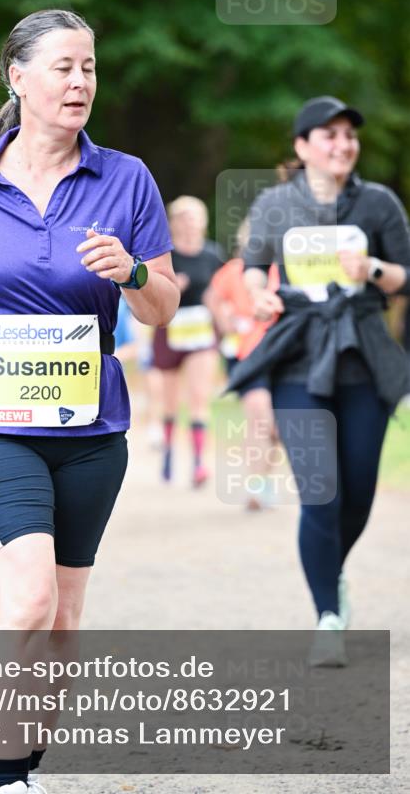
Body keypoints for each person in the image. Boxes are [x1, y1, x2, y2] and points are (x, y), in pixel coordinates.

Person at [0, 9, 178, 794]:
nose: (81, 81)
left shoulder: (126, 178)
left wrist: (130, 272)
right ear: (17, 77)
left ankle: (25, 764)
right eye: (64, 67)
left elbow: (161, 305)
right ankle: (3, 778)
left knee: (62, 618)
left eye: (89, 67)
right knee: (27, 598)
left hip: (91, 425)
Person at [229, 95, 410, 665]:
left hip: (364, 359)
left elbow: (405, 276)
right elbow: (253, 267)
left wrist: (373, 269)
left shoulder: (378, 202)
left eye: (349, 135)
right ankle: (328, 615)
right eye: (330, 135)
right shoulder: (276, 203)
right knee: (320, 492)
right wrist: (259, 294)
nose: (343, 144)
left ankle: (331, 574)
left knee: (356, 493)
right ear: (302, 146)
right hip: (299, 360)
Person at [205, 220, 280, 511]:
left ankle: (264, 480)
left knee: (275, 427)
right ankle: (256, 486)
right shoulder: (234, 269)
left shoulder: (283, 270)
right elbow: (212, 297)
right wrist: (225, 323)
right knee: (260, 415)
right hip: (245, 354)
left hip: (282, 354)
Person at [151, 196, 224, 485]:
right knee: (170, 401)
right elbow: (150, 291)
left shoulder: (213, 255)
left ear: (203, 222)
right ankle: (169, 452)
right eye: (184, 218)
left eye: (195, 217)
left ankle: (198, 463)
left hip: (201, 332)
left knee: (199, 396)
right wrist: (171, 289)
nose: (190, 223)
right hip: (169, 328)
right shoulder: (165, 254)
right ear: (173, 223)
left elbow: (220, 292)